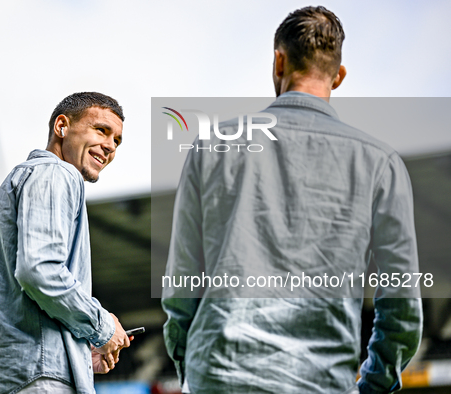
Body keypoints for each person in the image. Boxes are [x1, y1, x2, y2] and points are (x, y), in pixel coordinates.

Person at [162, 6, 422, 394]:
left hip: (219, 373)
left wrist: (194, 369)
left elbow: (182, 282)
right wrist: (373, 384)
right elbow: (402, 302)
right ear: (339, 76)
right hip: (319, 380)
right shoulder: (380, 163)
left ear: (278, 61)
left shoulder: (212, 146)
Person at [0, 92, 131, 394]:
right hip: (34, 379)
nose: (109, 146)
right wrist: (102, 326)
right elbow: (40, 270)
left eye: (117, 140)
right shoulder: (56, 172)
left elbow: (20, 304)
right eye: (101, 130)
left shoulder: (23, 180)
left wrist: (77, 353)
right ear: (62, 126)